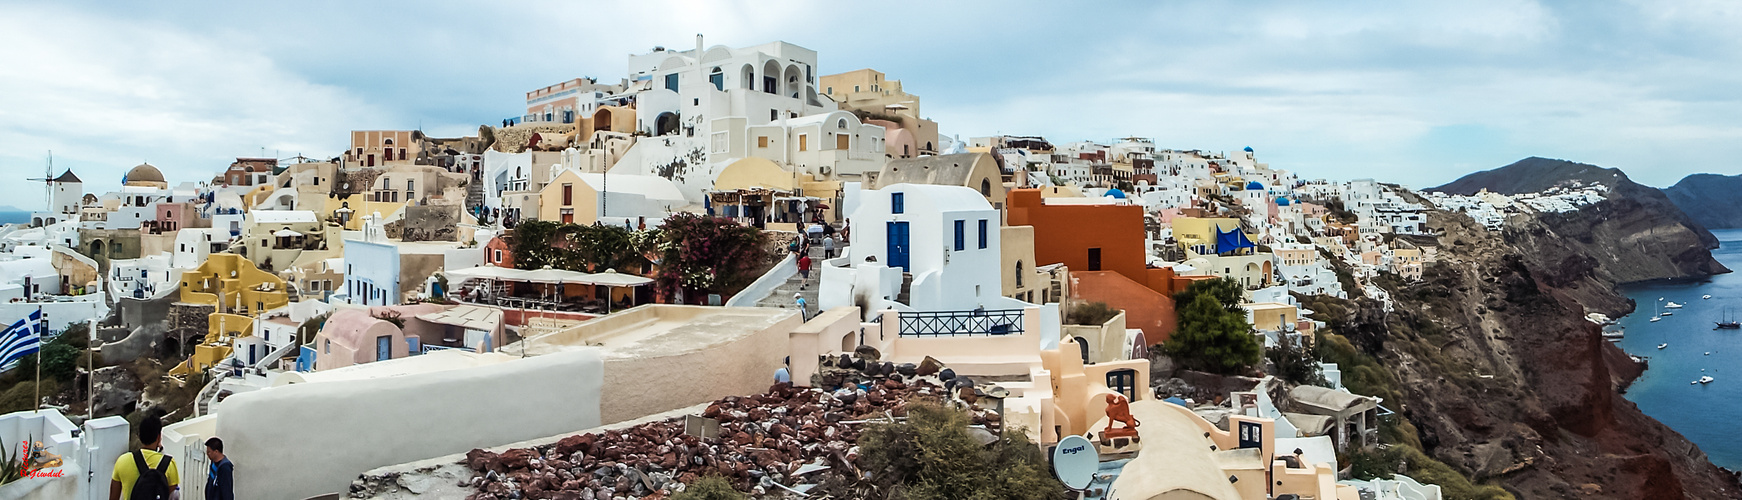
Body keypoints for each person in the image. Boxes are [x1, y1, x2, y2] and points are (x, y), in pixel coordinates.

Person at [111, 411, 178, 500]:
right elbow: (172, 496)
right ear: (158, 437)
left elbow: (113, 497)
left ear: (139, 436)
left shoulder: (122, 461)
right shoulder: (169, 464)